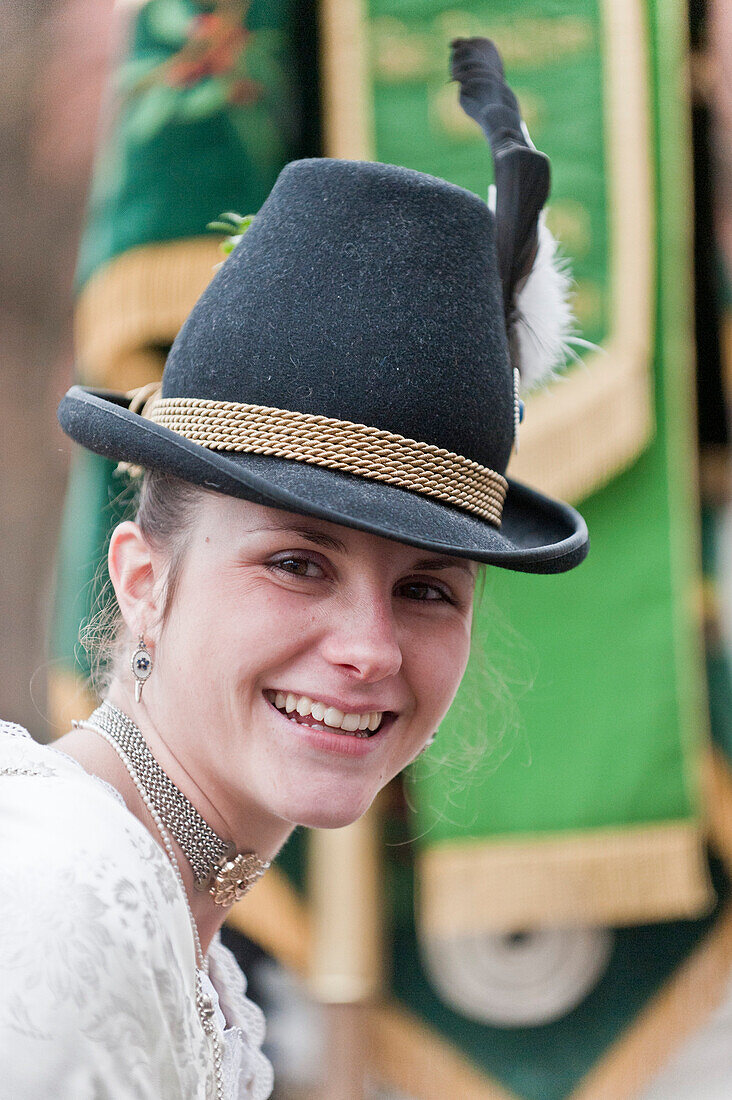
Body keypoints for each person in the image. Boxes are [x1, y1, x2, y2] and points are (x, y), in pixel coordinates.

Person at [0, 39, 588, 1099]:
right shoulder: (63, 904)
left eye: (426, 587)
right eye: (297, 563)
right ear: (142, 579)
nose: (368, 648)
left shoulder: (192, 945)